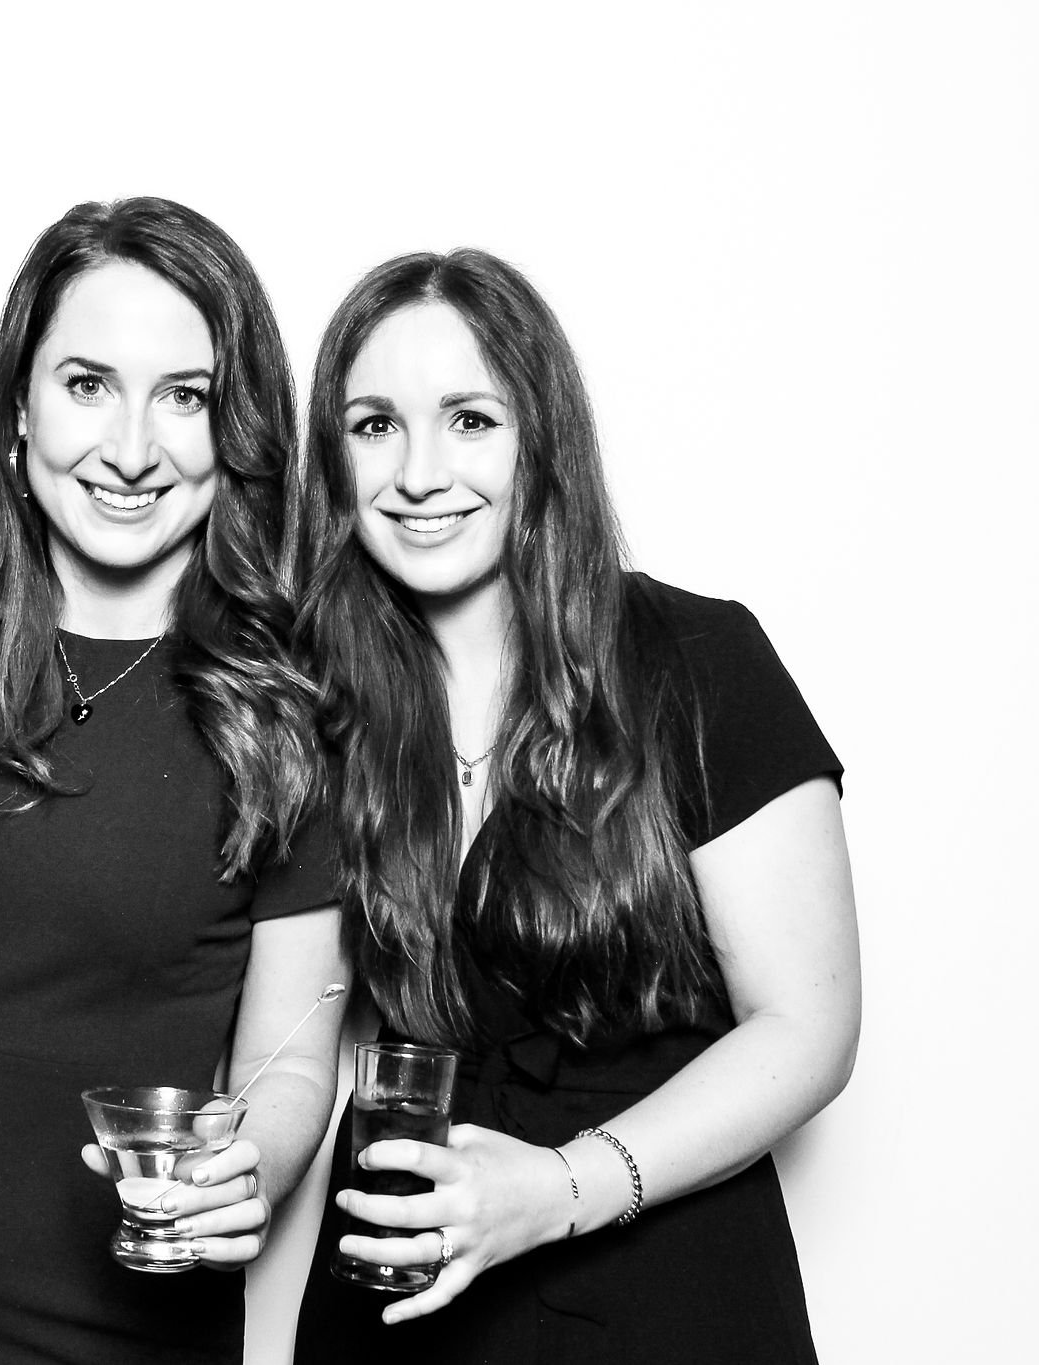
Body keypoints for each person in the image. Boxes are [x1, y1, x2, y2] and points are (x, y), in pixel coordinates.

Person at [288, 250, 859, 1363]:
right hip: (396, 1292)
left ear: (539, 438)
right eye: (371, 426)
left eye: (467, 419)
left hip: (659, 1291)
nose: (416, 471)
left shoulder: (696, 661)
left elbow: (808, 1030)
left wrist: (557, 1189)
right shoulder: (323, 708)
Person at [0, 198, 350, 1365]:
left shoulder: (287, 708)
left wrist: (253, 1165)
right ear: (18, 409)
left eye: (183, 396)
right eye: (87, 383)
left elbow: (291, 1055)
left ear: (234, 430)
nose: (131, 449)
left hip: (114, 1333)